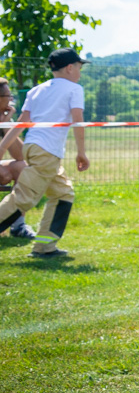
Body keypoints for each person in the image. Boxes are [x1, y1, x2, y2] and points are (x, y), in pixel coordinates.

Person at [0, 48, 91, 258]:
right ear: (70, 68)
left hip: (32, 147)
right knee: (22, 199)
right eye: (79, 67)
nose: (79, 72)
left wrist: (4, 146)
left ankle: (44, 246)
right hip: (47, 152)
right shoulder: (74, 89)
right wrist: (81, 152)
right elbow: (78, 121)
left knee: (63, 194)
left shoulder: (36, 90)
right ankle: (44, 247)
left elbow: (22, 122)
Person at [0, 78, 36, 239]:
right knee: (4, 173)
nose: (12, 100)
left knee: (23, 167)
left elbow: (20, 155)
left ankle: (18, 225)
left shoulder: (4, 118)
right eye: (9, 95)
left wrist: (6, 124)